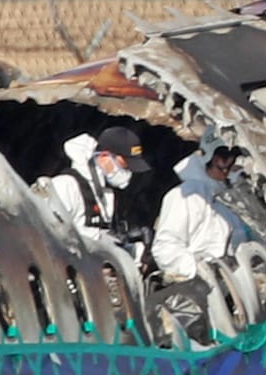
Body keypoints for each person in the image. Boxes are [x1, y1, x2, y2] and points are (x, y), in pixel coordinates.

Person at [147, 126, 247, 343]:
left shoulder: (232, 201)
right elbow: (165, 247)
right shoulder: (187, 195)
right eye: (222, 157)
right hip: (194, 291)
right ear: (209, 158)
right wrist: (199, 270)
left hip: (230, 289)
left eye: (233, 157)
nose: (227, 165)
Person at [48, 125, 149, 242]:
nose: (128, 173)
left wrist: (131, 245)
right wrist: (101, 237)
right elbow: (50, 228)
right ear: (104, 156)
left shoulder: (107, 195)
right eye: (124, 165)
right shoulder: (65, 185)